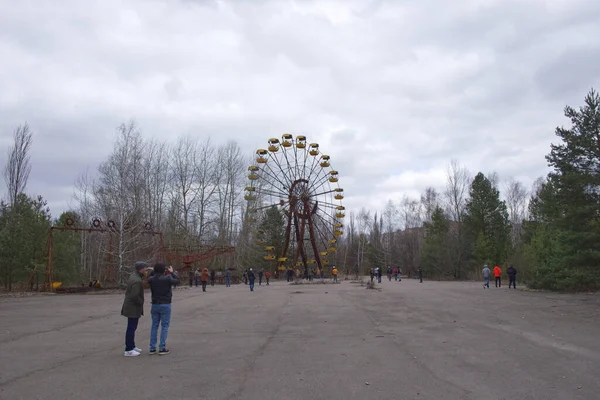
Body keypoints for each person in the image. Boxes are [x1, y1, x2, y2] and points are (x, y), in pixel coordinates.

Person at [148, 263, 179, 355]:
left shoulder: (151, 279)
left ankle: (152, 348)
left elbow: (151, 276)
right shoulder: (168, 278)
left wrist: (154, 271)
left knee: (154, 325)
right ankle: (162, 347)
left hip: (155, 304)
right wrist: (172, 272)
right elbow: (177, 281)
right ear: (164, 270)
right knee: (164, 326)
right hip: (165, 303)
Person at [121, 261, 148, 357]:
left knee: (132, 327)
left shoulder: (134, 276)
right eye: (145, 268)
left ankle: (132, 346)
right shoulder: (137, 281)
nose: (146, 270)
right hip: (132, 307)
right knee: (131, 328)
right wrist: (140, 302)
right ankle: (128, 349)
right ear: (141, 269)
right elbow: (134, 295)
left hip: (131, 306)